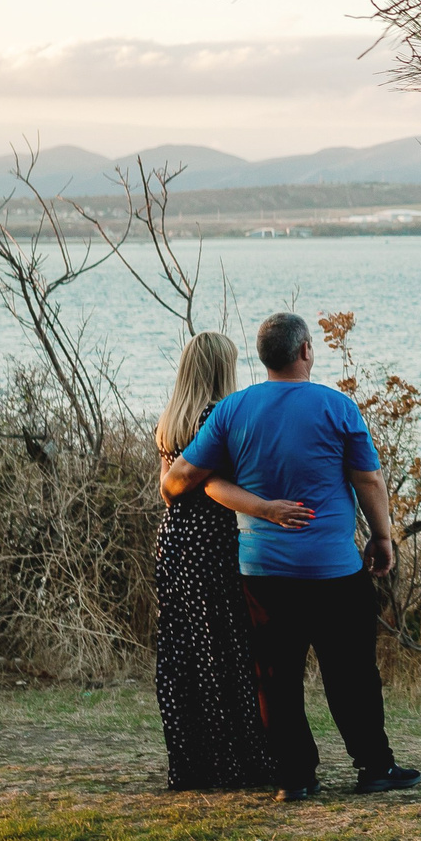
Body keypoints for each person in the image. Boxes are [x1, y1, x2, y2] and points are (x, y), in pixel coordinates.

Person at [160, 311, 420, 800]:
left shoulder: (232, 411)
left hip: (263, 572)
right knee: (352, 675)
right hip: (334, 570)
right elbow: (368, 480)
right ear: (306, 352)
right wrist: (382, 539)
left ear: (263, 357)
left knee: (275, 679)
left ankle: (295, 778)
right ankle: (374, 767)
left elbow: (176, 482)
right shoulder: (338, 407)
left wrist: (240, 499)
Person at [149, 331, 280, 793]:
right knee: (222, 648)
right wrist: (266, 508)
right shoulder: (214, 417)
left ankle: (191, 761)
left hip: (174, 541)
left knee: (182, 648)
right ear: (221, 369)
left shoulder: (171, 418)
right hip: (209, 542)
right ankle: (232, 759)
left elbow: (167, 487)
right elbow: (209, 485)